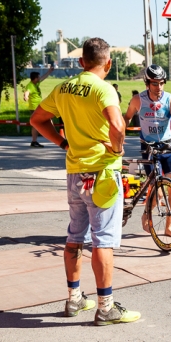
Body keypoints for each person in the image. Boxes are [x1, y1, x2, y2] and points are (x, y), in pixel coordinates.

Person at [30, 37, 140, 326]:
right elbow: (118, 125)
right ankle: (106, 307)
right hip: (102, 174)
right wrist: (117, 150)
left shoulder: (63, 88)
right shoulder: (104, 89)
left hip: (74, 173)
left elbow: (37, 120)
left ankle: (74, 298)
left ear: (81, 62)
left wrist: (63, 143)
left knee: (75, 236)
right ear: (108, 63)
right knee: (103, 239)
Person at [124, 64, 171, 236]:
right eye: (154, 83)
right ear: (147, 83)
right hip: (148, 147)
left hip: (167, 146)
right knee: (157, 191)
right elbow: (126, 118)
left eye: (161, 83)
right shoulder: (138, 100)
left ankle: (168, 227)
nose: (158, 87)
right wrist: (119, 136)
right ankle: (147, 213)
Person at [23, 66, 54, 147]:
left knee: (40, 122)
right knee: (37, 124)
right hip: (34, 108)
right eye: (38, 77)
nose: (40, 78)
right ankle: (36, 140)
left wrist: (49, 71)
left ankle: (35, 141)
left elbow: (43, 77)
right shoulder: (30, 85)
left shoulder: (36, 83)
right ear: (35, 79)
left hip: (39, 107)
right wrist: (25, 96)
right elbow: (27, 92)